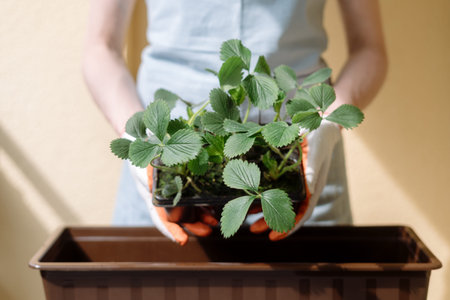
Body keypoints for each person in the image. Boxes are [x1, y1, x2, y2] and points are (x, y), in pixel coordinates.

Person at [82, 0, 387, 245]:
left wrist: (327, 123)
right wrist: (140, 143)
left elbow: (369, 49)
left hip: (304, 158)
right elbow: (100, 48)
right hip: (167, 163)